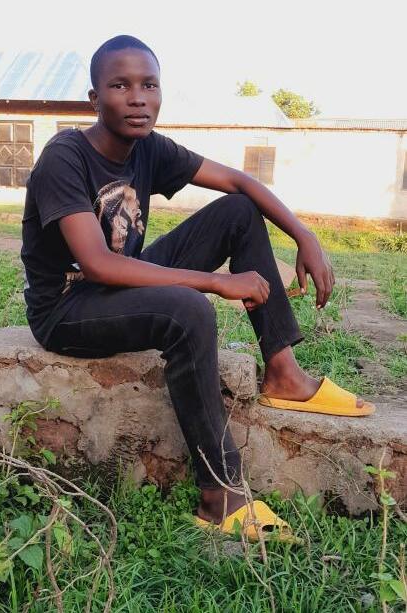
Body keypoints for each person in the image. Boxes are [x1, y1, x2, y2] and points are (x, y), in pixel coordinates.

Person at [21, 35, 375, 541]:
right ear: (94, 99)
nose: (138, 98)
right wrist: (214, 281)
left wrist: (305, 235)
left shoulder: (149, 148)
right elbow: (97, 265)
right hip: (66, 309)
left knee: (238, 212)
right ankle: (221, 496)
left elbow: (239, 182)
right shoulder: (65, 157)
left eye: (149, 85)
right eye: (120, 86)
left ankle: (283, 374)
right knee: (189, 311)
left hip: (121, 279)